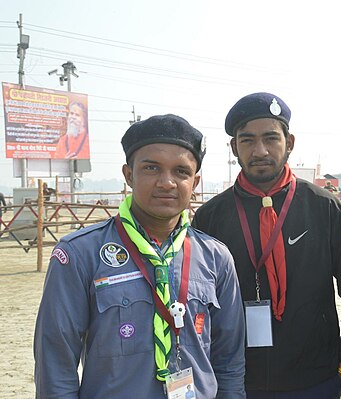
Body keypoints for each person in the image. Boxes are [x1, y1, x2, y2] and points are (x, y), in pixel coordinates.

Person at [35, 114, 246, 398]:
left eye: (181, 172)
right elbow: (56, 363)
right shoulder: (79, 254)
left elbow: (229, 361)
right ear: (128, 174)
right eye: (151, 168)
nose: (167, 182)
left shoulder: (216, 257)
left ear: (195, 182)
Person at [192, 92, 341, 398]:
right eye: (248, 141)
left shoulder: (324, 208)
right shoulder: (211, 217)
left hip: (317, 380)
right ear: (233, 147)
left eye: (271, 138)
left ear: (289, 142)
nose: (260, 150)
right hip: (238, 383)